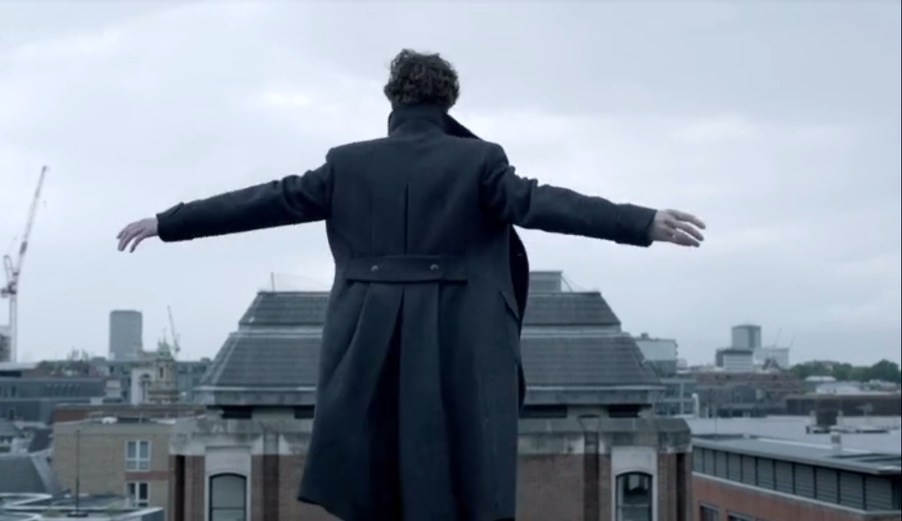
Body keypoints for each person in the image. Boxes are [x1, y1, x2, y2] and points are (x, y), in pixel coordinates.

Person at [117, 49, 705, 521]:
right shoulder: (479, 160)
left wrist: (169, 222)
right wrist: (641, 222)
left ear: (392, 99)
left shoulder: (346, 163)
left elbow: (261, 201)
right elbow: (544, 203)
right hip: (460, 338)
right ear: (449, 100)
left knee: (373, 468)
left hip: (364, 337)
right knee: (457, 467)